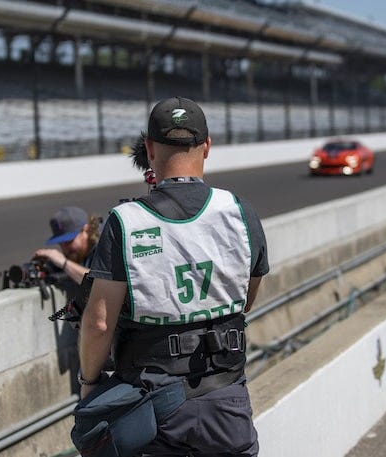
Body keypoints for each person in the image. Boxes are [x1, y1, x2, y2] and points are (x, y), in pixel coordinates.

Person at [78, 96, 269, 456]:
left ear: (149, 148)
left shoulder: (125, 222)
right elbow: (246, 298)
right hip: (226, 401)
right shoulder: (240, 212)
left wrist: (89, 383)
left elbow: (99, 322)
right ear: (207, 147)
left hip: (151, 406)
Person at [34, 206, 101, 286]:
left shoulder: (108, 245)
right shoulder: (79, 253)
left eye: (68, 241)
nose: (65, 248)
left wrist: (63, 263)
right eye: (60, 243)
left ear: (86, 230)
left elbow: (99, 284)